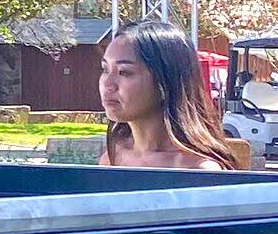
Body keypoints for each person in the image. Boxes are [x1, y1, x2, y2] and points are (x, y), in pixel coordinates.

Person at [98, 18, 238, 171]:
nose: (108, 84)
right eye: (105, 69)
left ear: (165, 81)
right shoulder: (112, 159)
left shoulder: (198, 170)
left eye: (124, 72)